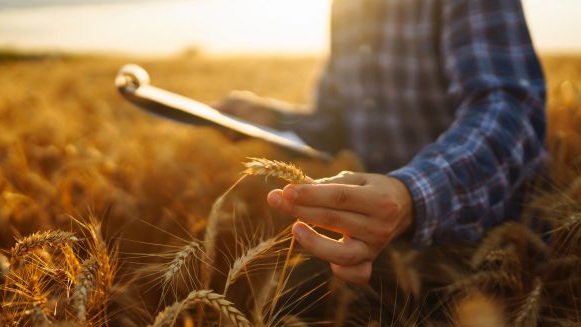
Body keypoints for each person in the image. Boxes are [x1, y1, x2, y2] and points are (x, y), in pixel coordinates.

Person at [217, 0, 546, 284]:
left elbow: (510, 109)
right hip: (386, 254)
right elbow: (338, 121)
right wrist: (271, 119)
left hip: (500, 251)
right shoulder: (345, 6)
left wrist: (412, 194)